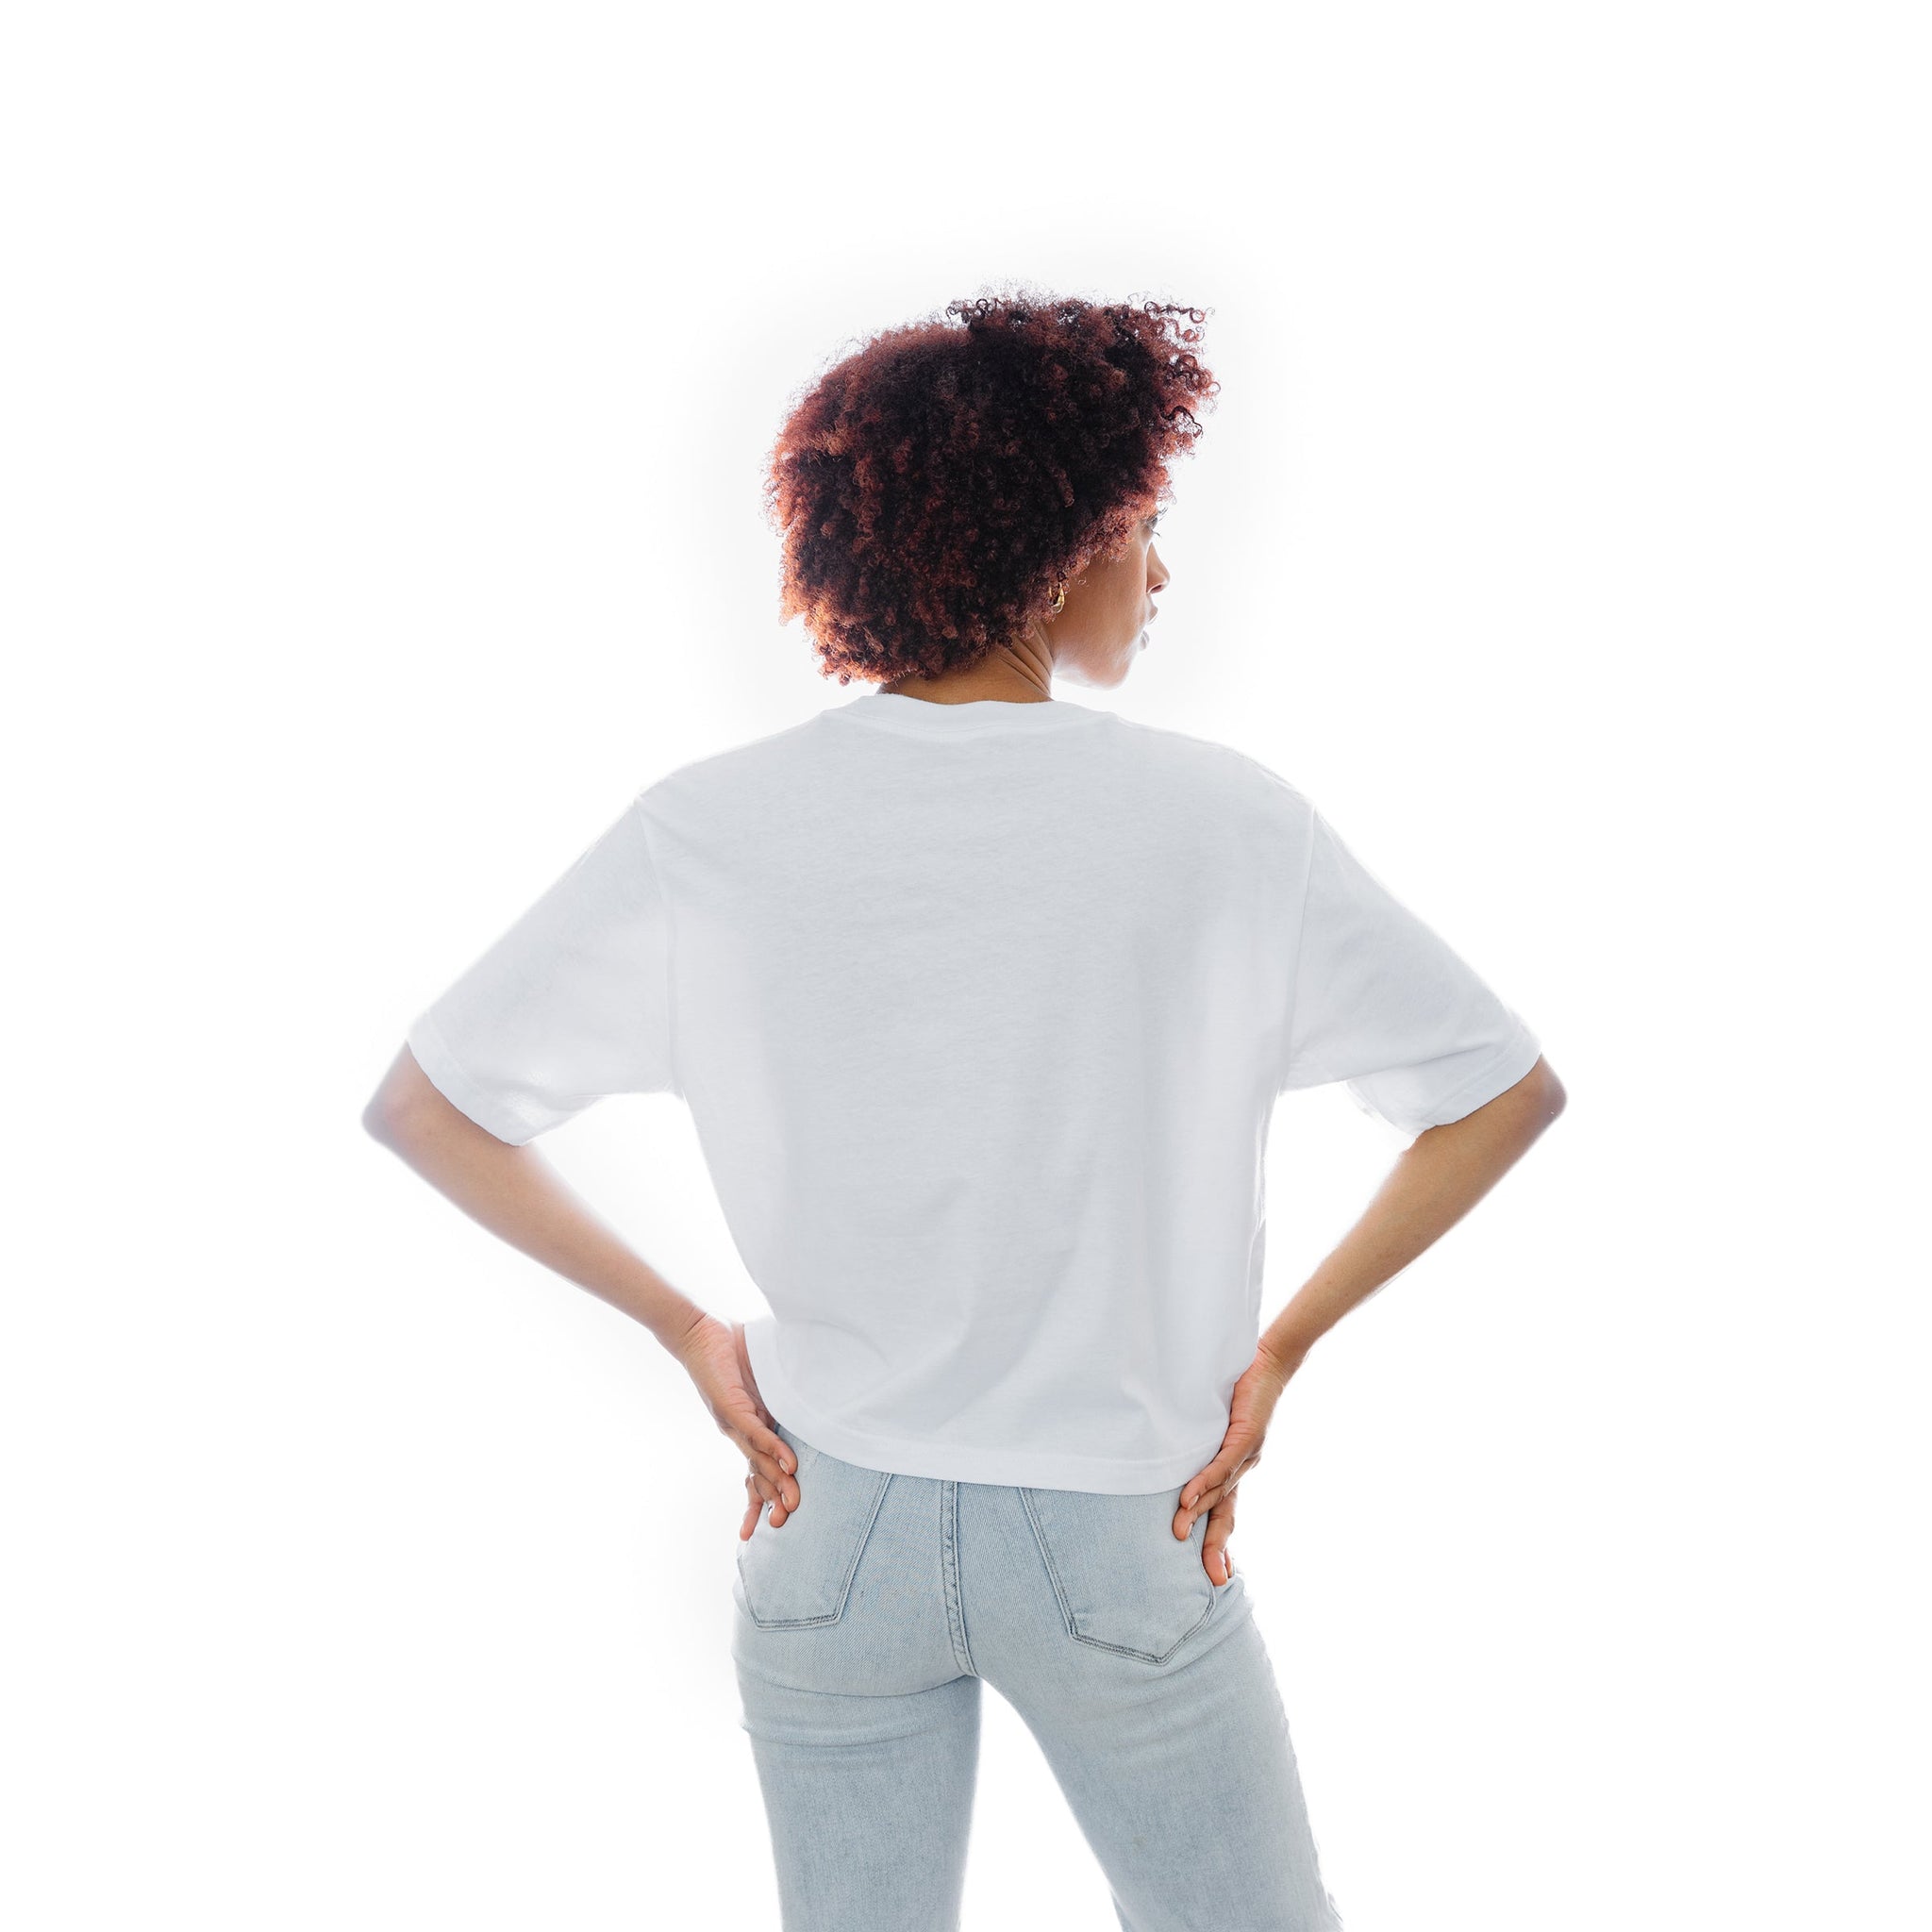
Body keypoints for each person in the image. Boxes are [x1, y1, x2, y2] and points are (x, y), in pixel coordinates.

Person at [362, 289, 1567, 1931]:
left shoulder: (713, 828)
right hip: (1118, 1529)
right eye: (1144, 530)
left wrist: (687, 1333)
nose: (1162, 573)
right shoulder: (1222, 825)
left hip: (828, 1521)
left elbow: (428, 1107)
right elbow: (1499, 1093)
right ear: (1059, 549)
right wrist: (1279, 1351)